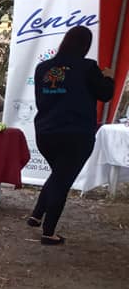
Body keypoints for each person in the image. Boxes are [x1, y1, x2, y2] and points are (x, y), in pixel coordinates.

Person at [28, 25, 114, 245]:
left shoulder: (43, 68)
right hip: (76, 134)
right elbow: (105, 94)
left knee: (59, 175)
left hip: (46, 132)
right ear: (85, 46)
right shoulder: (88, 67)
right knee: (62, 180)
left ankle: (37, 215)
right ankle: (49, 233)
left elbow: (40, 99)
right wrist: (108, 78)